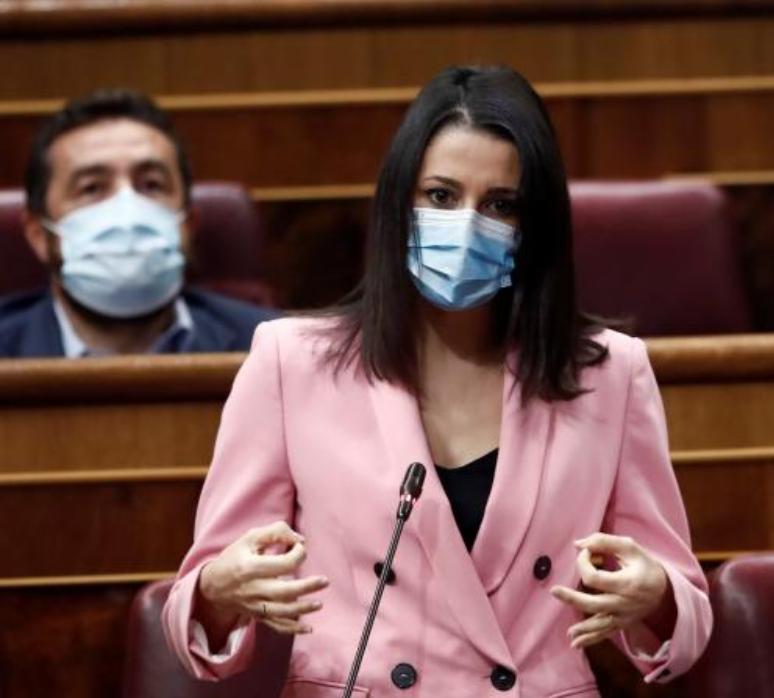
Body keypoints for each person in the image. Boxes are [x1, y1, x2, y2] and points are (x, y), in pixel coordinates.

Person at [162, 66, 712, 696]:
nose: (468, 223)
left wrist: (654, 594)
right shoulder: (290, 362)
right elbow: (196, 611)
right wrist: (218, 590)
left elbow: (683, 612)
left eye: (500, 204)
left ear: (535, 228)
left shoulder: (610, 372)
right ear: (400, 204)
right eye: (443, 197)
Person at [0, 89, 275, 357]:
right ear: (38, 234)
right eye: (91, 188)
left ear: (187, 224)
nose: (126, 210)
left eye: (152, 185)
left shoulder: (272, 350)